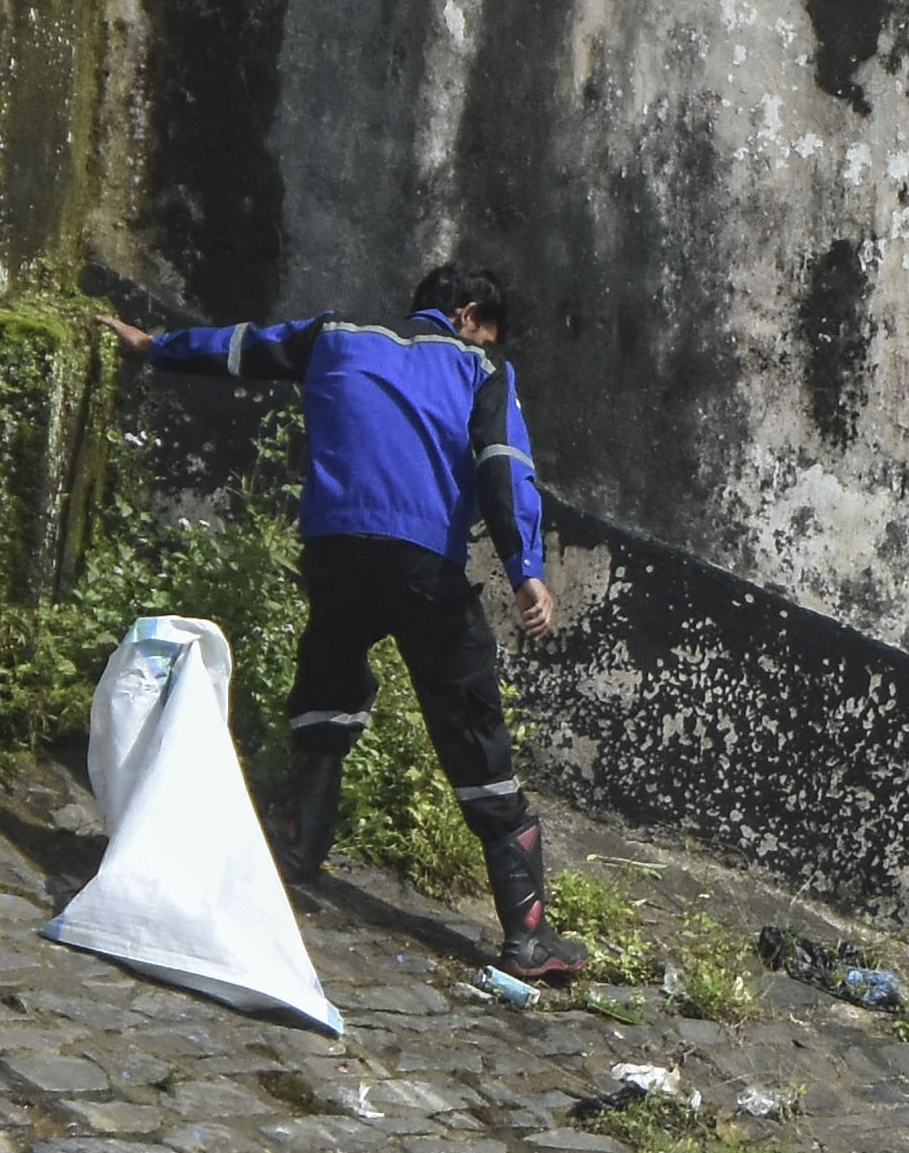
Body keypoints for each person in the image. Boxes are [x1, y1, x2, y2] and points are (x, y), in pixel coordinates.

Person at [138, 263, 584, 984]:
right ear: (467, 314)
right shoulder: (479, 365)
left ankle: (297, 848)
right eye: (488, 328)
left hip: (335, 550)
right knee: (472, 728)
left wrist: (155, 345)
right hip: (421, 561)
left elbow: (243, 347)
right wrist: (524, 567)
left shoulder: (334, 334)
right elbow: (503, 463)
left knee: (329, 682)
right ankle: (528, 935)